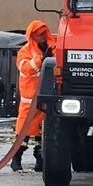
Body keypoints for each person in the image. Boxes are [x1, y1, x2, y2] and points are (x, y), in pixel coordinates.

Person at [12, 19, 54, 173]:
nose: (42, 37)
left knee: (42, 133)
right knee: (24, 131)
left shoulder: (53, 47)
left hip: (46, 97)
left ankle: (40, 160)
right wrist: (41, 60)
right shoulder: (25, 51)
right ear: (32, 36)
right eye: (39, 35)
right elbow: (25, 68)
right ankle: (16, 158)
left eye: (44, 34)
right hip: (30, 100)